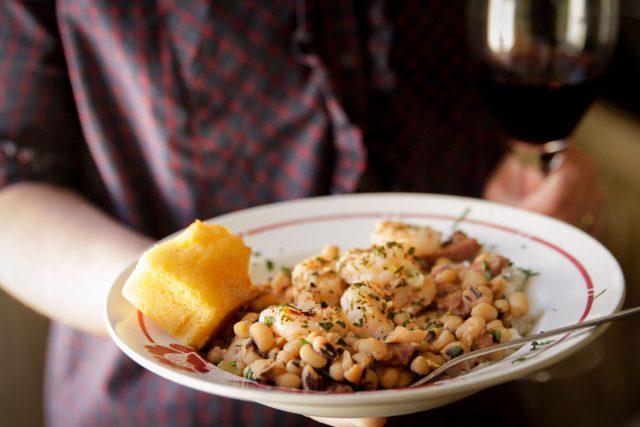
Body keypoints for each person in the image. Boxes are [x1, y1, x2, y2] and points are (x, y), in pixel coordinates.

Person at [0, 1, 603, 426]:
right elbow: (12, 182)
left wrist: (526, 174)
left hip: (469, 383)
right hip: (167, 401)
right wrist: (172, 304)